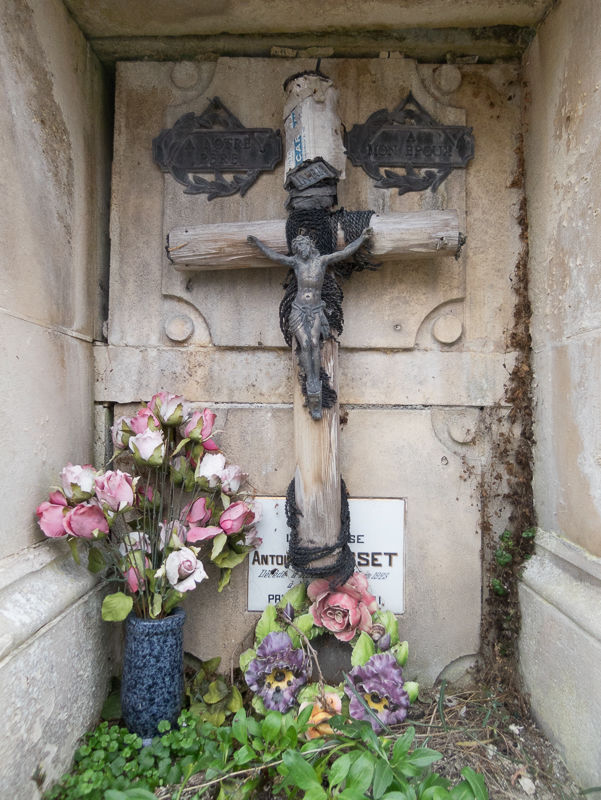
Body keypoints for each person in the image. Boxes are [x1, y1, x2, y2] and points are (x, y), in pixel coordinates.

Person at [247, 228, 372, 419]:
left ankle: (316, 384)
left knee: (314, 343)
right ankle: (311, 381)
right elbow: (275, 256)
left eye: (302, 247)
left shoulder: (321, 261)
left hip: (315, 310)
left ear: (309, 246)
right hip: (298, 309)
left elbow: (344, 253)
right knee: (305, 345)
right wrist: (258, 244)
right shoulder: (296, 263)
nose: (300, 252)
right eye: (297, 249)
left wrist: (362, 238)